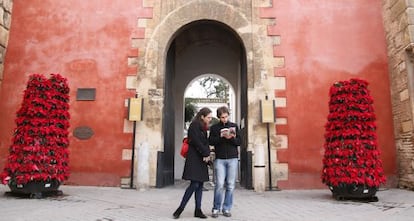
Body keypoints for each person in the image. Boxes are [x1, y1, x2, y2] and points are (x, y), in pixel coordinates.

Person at [173, 107, 212, 219]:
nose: (210, 119)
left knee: (200, 184)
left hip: (201, 158)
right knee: (194, 184)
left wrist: (207, 154)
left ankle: (198, 210)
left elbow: (205, 143)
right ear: (202, 116)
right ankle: (180, 208)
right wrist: (205, 153)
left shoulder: (204, 128)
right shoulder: (194, 125)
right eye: (208, 117)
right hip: (194, 158)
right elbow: (195, 141)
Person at [209, 106, 241, 218]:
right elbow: (211, 141)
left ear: (228, 115)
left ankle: (226, 208)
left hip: (232, 158)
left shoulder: (234, 126)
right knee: (219, 184)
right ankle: (216, 208)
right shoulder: (214, 128)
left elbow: (239, 142)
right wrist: (221, 137)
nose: (224, 119)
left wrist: (231, 138)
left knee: (230, 185)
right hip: (220, 159)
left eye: (226, 117)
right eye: (222, 117)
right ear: (219, 117)